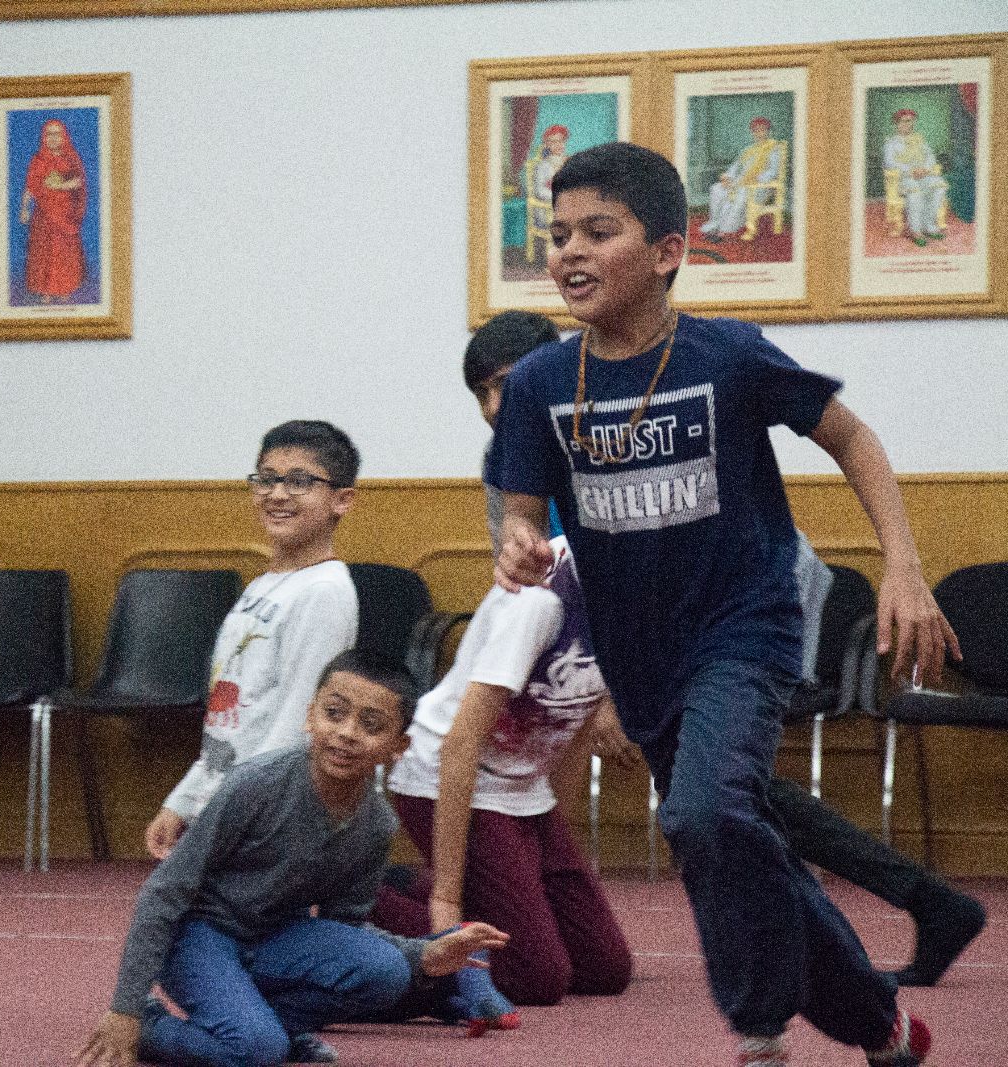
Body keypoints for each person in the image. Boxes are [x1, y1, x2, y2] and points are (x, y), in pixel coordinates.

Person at [486, 141, 954, 1066]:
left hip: (745, 627)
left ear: (666, 250)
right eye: (557, 234)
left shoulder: (727, 354)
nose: (569, 252)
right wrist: (514, 541)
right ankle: (883, 1024)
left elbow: (854, 439)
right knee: (744, 843)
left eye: (598, 232)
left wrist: (903, 566)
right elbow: (518, 505)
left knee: (703, 815)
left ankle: (758, 1025)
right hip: (639, 652)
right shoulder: (542, 381)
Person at [464, 313, 982, 990]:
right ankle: (916, 910)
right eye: (481, 394)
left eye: (506, 384)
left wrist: (611, 695)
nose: (495, 406)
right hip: (652, 629)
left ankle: (849, 952)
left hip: (744, 603)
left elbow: (621, 577)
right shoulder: (513, 454)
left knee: (716, 798)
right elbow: (556, 582)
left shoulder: (607, 411)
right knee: (724, 798)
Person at [78, 650, 510, 1067]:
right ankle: (155, 1029)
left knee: (386, 971)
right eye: (334, 713)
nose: (346, 732)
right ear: (310, 715)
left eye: (371, 724)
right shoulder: (256, 784)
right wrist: (126, 1009)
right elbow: (163, 892)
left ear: (398, 746)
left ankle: (273, 1028)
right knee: (253, 1051)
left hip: (277, 939)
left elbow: (343, 931)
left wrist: (421, 955)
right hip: (200, 935)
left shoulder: (376, 823)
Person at [373, 537, 634, 1008]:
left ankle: (420, 884)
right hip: (445, 778)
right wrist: (447, 902)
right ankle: (367, 899)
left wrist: (553, 852)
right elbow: (460, 744)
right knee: (536, 975)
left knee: (604, 968)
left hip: (524, 789)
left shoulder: (654, 600)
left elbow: (576, 723)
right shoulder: (538, 600)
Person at [143, 420, 360, 860]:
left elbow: (299, 718)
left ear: (342, 499)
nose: (277, 495)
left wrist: (241, 812)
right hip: (227, 800)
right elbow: (229, 718)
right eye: (266, 479)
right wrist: (185, 800)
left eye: (300, 482)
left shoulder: (325, 591)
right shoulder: (262, 585)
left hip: (265, 813)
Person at [20, 117, 87, 303]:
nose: (53, 138)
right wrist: (25, 208)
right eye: (49, 134)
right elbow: (30, 187)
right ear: (44, 137)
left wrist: (60, 186)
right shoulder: (38, 160)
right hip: (43, 215)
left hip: (66, 213)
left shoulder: (71, 158)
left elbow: (78, 182)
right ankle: (46, 290)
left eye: (57, 134)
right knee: (44, 251)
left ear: (64, 136)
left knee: (64, 251)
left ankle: (64, 287)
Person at [698, 116, 784, 240]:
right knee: (717, 189)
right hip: (741, 182)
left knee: (742, 193)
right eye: (756, 130)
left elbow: (773, 171)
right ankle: (715, 223)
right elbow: (735, 167)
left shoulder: (774, 148)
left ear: (768, 131)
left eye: (763, 130)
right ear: (752, 132)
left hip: (761, 186)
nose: (759, 133)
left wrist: (757, 179)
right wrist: (728, 178)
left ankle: (725, 230)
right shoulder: (748, 150)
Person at [882, 109, 949, 246]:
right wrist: (911, 171)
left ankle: (929, 226)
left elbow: (930, 156)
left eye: (912, 121)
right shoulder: (891, 143)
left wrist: (925, 168)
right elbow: (889, 163)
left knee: (939, 186)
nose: (910, 124)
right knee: (915, 190)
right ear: (898, 123)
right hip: (903, 179)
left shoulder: (919, 139)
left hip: (923, 175)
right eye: (906, 121)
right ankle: (916, 230)